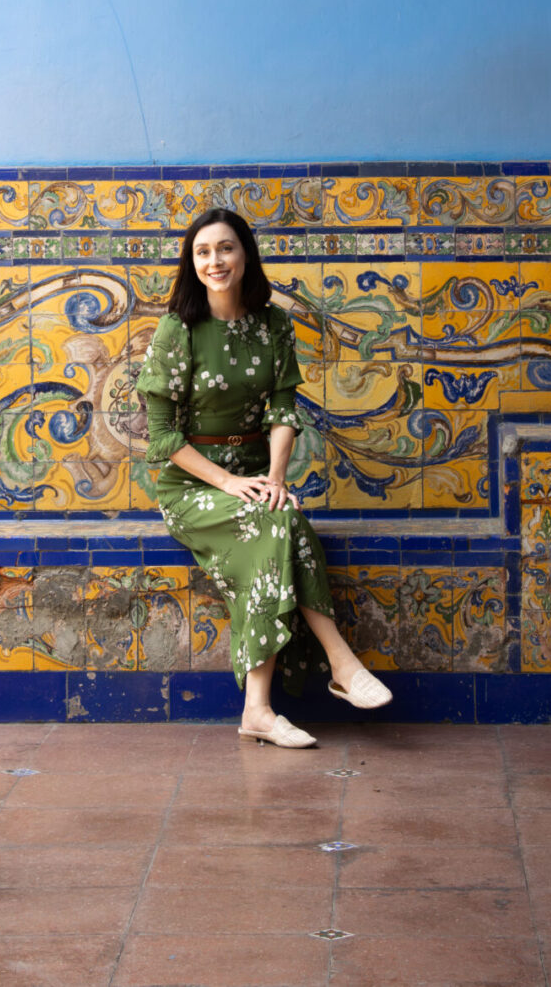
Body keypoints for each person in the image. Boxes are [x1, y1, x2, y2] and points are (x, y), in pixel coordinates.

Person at [135, 207, 392, 747]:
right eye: (202, 252)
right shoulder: (178, 329)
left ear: (245, 253)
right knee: (280, 526)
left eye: (224, 248)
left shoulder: (273, 323)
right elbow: (161, 436)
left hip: (256, 478)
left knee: (283, 519)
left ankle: (259, 709)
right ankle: (340, 665)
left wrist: (275, 479)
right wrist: (228, 483)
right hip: (193, 488)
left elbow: (282, 410)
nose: (214, 261)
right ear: (192, 262)